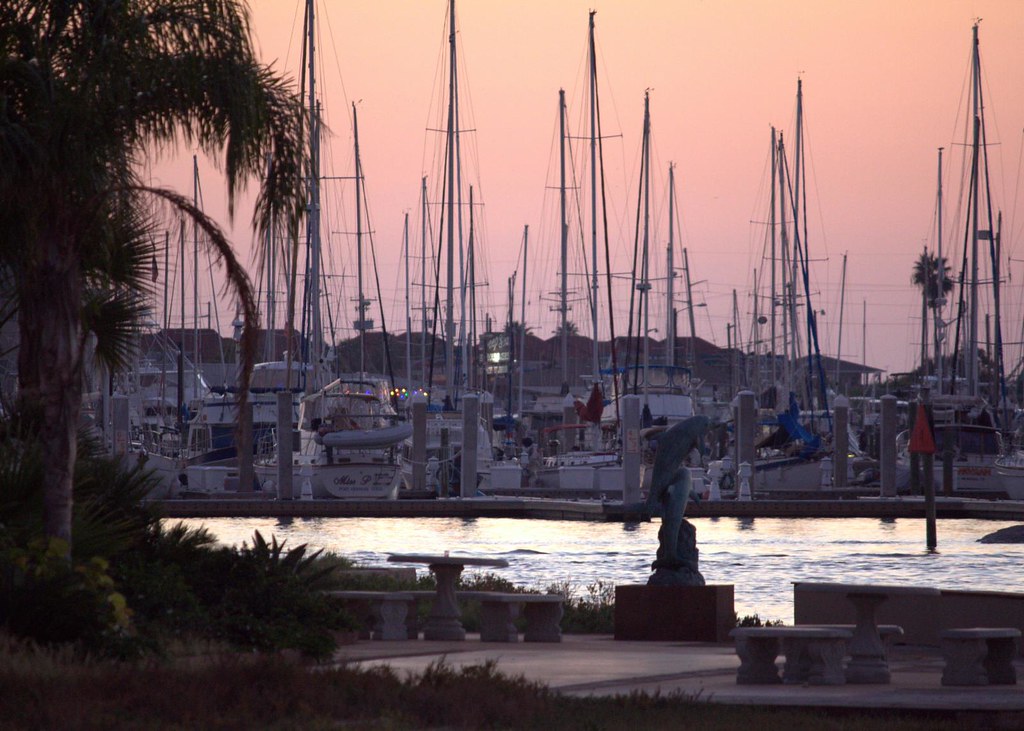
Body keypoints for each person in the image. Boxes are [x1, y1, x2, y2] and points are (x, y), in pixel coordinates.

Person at [645, 415, 710, 566]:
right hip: (668, 479)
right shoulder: (697, 429)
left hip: (668, 479)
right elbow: (701, 450)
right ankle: (671, 556)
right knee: (682, 478)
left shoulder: (685, 429)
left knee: (682, 477)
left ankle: (670, 555)